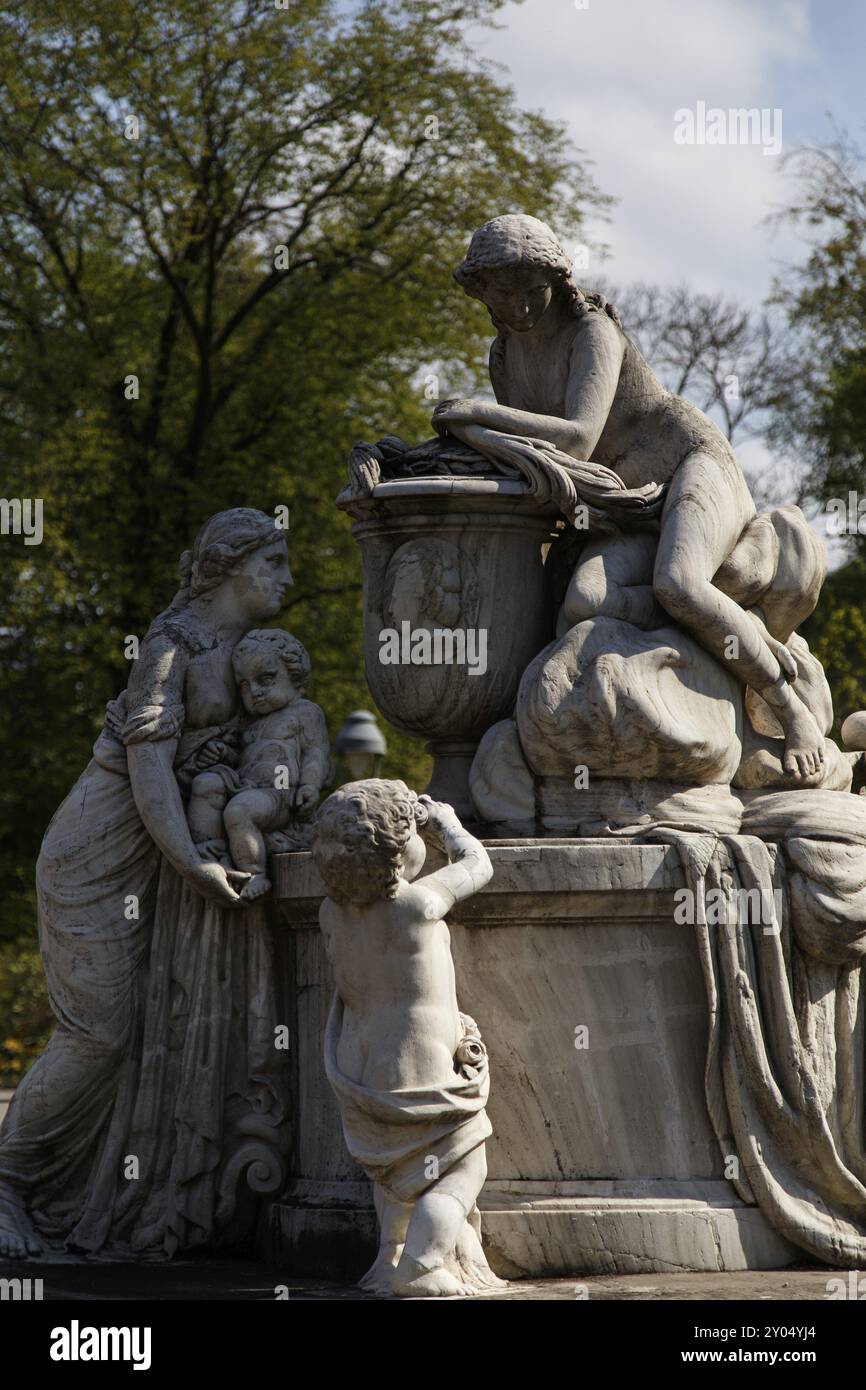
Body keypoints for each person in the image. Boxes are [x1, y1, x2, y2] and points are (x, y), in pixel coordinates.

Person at [435, 214, 825, 780]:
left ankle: (791, 714)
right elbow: (531, 452)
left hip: (691, 466)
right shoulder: (504, 356)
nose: (518, 304)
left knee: (678, 582)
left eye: (531, 288)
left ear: (557, 281)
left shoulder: (592, 331)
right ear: (480, 290)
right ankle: (716, 621)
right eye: (501, 289)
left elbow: (577, 436)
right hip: (627, 509)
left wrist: (474, 414)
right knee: (584, 605)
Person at [0, 508, 292, 1258]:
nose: (287, 579)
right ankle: (5, 1181)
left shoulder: (244, 647)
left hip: (157, 854)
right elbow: (148, 765)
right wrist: (193, 861)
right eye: (275, 564)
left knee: (139, 1035)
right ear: (231, 568)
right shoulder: (170, 645)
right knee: (99, 1033)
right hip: (98, 854)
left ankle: (101, 1191)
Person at [311, 780, 503, 1296]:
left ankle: (389, 1255)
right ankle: (422, 1265)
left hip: (359, 1063)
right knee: (460, 1169)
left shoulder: (329, 914)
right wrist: (447, 825)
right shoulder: (418, 905)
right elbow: (478, 866)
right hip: (418, 1061)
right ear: (398, 853)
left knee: (394, 1170)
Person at [187, 629, 330, 900]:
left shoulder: (304, 712)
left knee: (239, 811)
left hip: (279, 791)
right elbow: (239, 756)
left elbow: (316, 752)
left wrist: (310, 785)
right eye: (244, 685)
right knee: (205, 784)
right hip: (246, 784)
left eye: (265, 679)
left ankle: (255, 873)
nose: (254, 692)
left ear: (294, 673)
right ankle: (213, 853)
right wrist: (218, 754)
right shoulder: (248, 721)